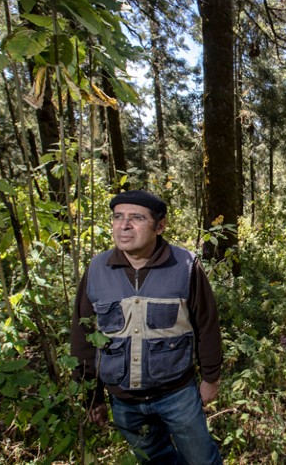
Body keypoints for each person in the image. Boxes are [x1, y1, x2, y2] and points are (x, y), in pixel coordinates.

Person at [71, 190, 223, 464]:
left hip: (178, 395)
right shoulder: (96, 269)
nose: (124, 225)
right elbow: (83, 338)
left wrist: (210, 379)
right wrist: (91, 396)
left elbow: (207, 325)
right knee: (156, 460)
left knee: (202, 460)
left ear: (160, 225)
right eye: (118, 217)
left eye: (136, 218)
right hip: (124, 402)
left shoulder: (185, 266)